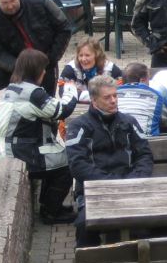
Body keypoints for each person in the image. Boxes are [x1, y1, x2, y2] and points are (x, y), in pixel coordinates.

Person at [65, 75, 153, 247]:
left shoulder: (129, 122)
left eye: (115, 95)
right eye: (107, 97)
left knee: (159, 221)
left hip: (131, 186)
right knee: (84, 225)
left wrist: (135, 179)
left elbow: (145, 155)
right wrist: (110, 183)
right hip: (95, 190)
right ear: (93, 100)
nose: (113, 101)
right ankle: (89, 262)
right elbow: (78, 165)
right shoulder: (79, 126)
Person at [0, 50, 78, 225]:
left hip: (6, 148)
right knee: (69, 163)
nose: (45, 72)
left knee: (56, 159)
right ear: (36, 70)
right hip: (18, 153)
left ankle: (51, 206)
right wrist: (71, 89)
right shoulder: (33, 93)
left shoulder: (14, 87)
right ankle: (51, 212)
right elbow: (62, 110)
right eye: (43, 68)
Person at [0, 0, 71, 125]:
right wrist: (18, 67)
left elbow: (64, 28)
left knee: (45, 107)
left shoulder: (42, 3)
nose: (9, 6)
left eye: (12, 1)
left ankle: (45, 134)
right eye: (4, 3)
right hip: (12, 67)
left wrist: (51, 58)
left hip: (45, 65)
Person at [117, 63, 167, 137]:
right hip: (147, 141)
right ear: (142, 80)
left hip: (118, 140)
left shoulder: (113, 95)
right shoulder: (156, 95)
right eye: (149, 79)